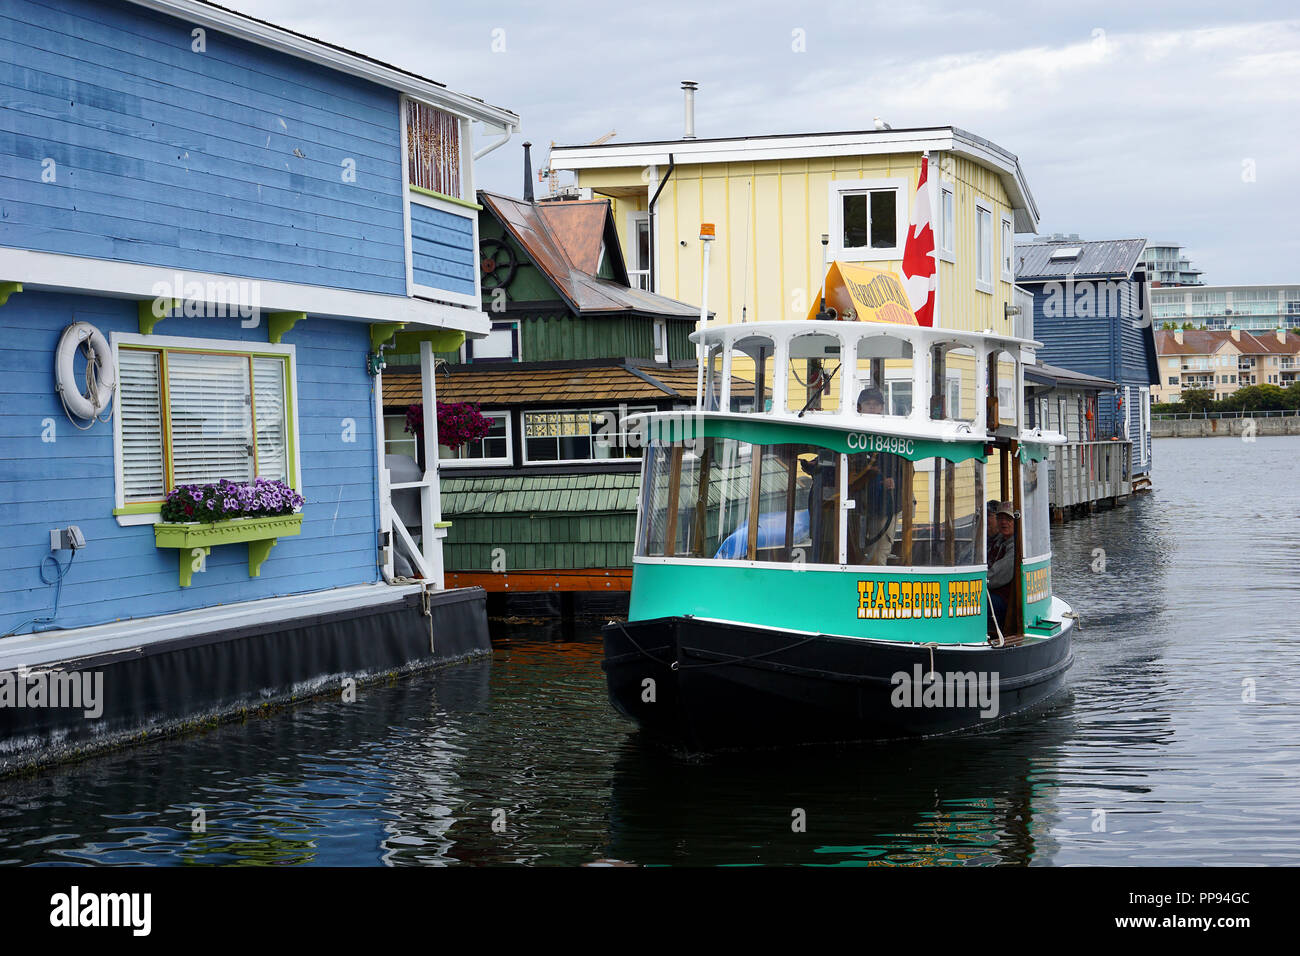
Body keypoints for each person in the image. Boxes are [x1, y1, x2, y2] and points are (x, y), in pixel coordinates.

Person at [987, 502, 1016, 636]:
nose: (1004, 522)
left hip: (1003, 600)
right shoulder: (999, 541)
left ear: (1016, 521)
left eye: (1008, 519)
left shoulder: (1015, 547)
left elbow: (994, 578)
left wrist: (972, 584)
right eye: (1000, 518)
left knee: (975, 602)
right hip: (992, 594)